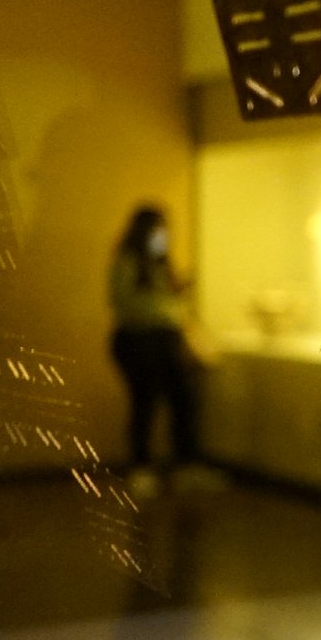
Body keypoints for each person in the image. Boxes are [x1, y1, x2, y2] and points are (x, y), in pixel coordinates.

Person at [107, 204, 199, 480]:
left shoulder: (161, 263)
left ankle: (185, 464)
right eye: (158, 228)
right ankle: (140, 466)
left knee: (183, 398)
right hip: (139, 338)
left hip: (166, 338)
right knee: (145, 400)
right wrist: (163, 305)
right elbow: (122, 302)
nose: (164, 234)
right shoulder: (127, 261)